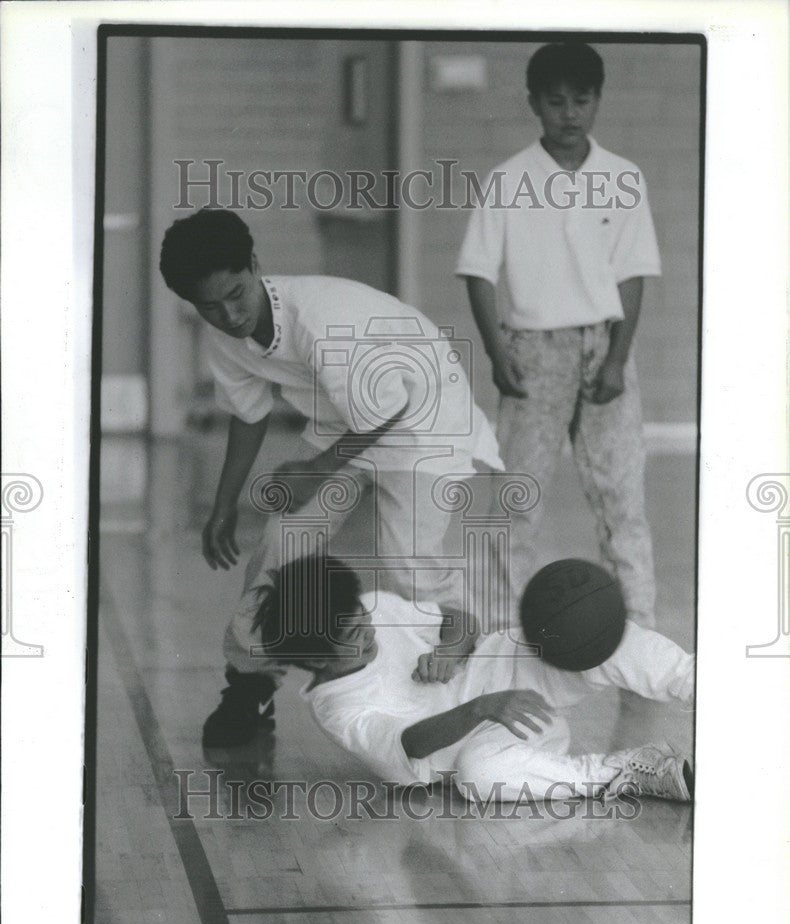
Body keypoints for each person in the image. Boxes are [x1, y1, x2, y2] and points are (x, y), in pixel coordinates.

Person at [159, 209, 503, 696]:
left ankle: (465, 635)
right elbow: (249, 413)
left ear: (255, 265)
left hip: (426, 419)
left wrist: (317, 469)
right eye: (210, 307)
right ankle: (249, 677)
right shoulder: (227, 336)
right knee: (284, 538)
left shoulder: (322, 322)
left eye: (237, 295)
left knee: (407, 558)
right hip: (349, 421)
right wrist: (222, 506)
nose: (231, 316)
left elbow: (389, 408)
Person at [456, 42, 661, 627]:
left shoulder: (622, 176)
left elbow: (633, 274)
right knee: (516, 498)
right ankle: (501, 628)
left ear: (598, 101)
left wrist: (618, 358)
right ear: (533, 104)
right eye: (555, 101)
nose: (569, 113)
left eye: (581, 100)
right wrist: (498, 353)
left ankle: (639, 627)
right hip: (532, 349)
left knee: (622, 496)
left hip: (603, 346)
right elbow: (477, 271)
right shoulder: (509, 180)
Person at [236, 553, 693, 803]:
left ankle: (704, 683)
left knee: (586, 630)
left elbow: (458, 618)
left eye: (362, 617)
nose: (370, 627)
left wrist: (451, 648)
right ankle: (627, 770)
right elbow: (408, 747)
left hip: (508, 664)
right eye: (355, 634)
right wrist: (481, 707)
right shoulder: (337, 710)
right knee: (480, 776)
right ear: (318, 661)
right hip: (494, 737)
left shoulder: (373, 606)